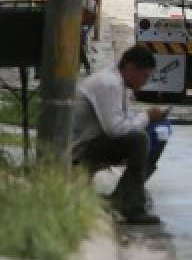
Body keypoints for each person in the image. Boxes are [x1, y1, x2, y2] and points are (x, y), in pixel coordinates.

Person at [71, 45, 169, 225]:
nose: (145, 82)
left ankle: (124, 195)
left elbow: (123, 119)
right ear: (131, 69)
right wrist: (146, 116)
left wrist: (148, 118)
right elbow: (115, 129)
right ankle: (132, 208)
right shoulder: (109, 84)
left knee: (155, 132)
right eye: (144, 76)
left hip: (93, 141)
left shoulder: (118, 83)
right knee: (138, 140)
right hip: (80, 150)